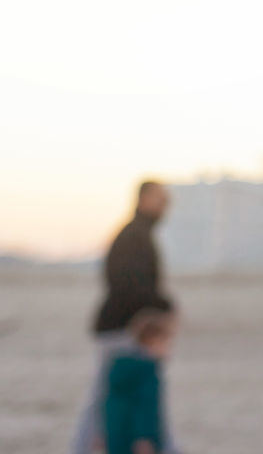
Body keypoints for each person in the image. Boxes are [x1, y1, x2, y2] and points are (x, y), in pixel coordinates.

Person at [72, 180, 178, 454]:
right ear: (144, 199)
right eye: (160, 199)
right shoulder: (134, 235)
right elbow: (126, 284)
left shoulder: (138, 233)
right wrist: (162, 305)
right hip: (121, 329)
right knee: (107, 396)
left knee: (116, 394)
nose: (166, 205)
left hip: (126, 328)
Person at [103, 308, 176, 454]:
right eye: (166, 343)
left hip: (116, 436)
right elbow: (146, 406)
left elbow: (108, 404)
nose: (169, 349)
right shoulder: (147, 370)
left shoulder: (119, 367)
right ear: (154, 340)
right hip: (140, 442)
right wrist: (144, 437)